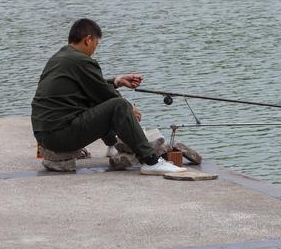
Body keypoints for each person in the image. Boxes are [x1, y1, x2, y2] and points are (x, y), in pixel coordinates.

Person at [31, 18, 185, 174]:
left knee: (101, 103)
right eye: (96, 45)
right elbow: (103, 93)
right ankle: (151, 161)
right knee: (120, 105)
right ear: (88, 40)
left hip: (44, 136)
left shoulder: (60, 57)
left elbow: (90, 86)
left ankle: (113, 145)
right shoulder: (81, 60)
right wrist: (130, 109)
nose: (94, 50)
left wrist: (117, 81)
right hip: (58, 136)